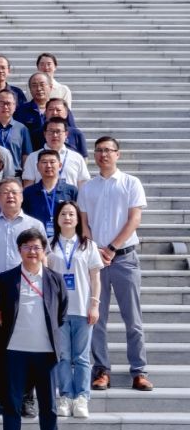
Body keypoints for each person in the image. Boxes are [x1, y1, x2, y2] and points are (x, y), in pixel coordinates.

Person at [80, 137, 153, 392]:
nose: (103, 154)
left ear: (117, 154)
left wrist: (111, 248)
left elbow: (134, 219)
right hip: (96, 261)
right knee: (96, 318)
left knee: (133, 318)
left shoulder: (131, 183)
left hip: (124, 258)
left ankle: (139, 371)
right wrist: (95, 251)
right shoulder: (88, 187)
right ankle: (102, 370)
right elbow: (84, 223)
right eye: (99, 150)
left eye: (108, 150)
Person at [0, 230, 68, 430]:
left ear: (44, 250)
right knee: (12, 403)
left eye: (36, 247)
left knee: (48, 405)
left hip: (46, 352)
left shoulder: (55, 279)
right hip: (15, 350)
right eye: (26, 247)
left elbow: (61, 313)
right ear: (19, 250)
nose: (32, 251)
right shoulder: (7, 279)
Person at [0, 178, 46, 417]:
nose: (10, 196)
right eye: (5, 192)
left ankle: (26, 399)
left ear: (22, 196)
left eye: (15, 192)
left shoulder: (34, 224)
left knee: (29, 349)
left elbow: (42, 260)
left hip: (28, 293)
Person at [48, 201, 103, 419]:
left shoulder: (88, 245)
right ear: (57, 218)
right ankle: (66, 396)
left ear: (78, 219)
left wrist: (94, 304)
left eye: (72, 214)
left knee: (81, 357)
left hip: (82, 308)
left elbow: (95, 278)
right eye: (63, 214)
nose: (68, 218)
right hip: (59, 311)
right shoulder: (49, 245)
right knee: (62, 356)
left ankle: (82, 397)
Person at [22, 150, 79, 235]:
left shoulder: (71, 191)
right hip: (37, 238)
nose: (48, 166)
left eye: (52, 162)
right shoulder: (28, 192)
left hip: (63, 238)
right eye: (44, 162)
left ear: (60, 165)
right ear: (37, 166)